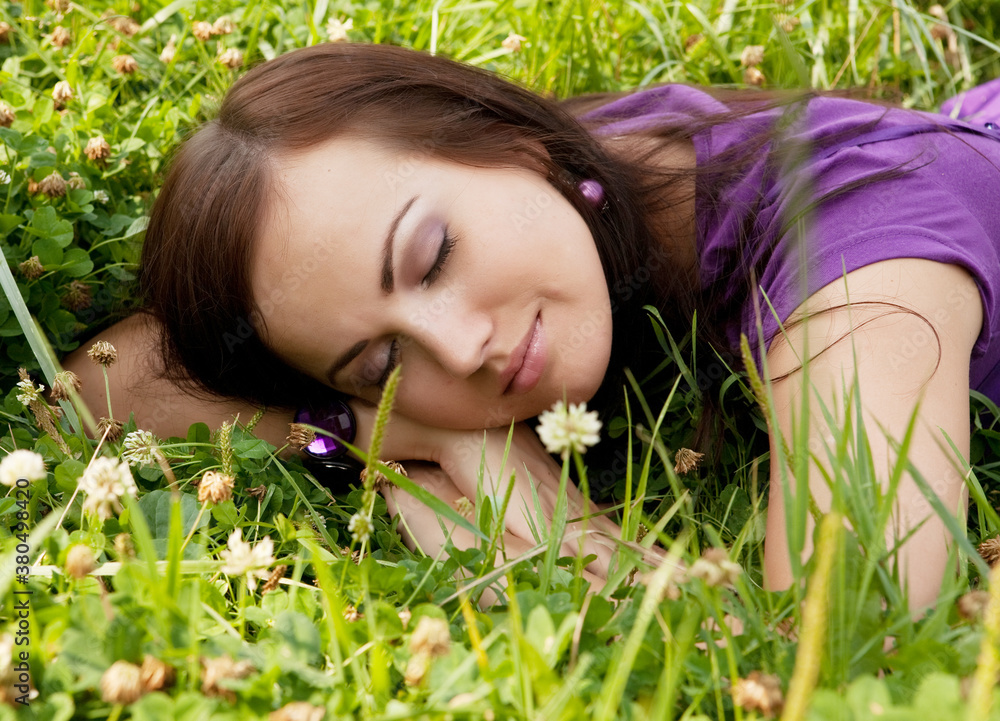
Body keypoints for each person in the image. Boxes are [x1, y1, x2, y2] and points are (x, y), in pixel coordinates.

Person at [63, 43, 1000, 609]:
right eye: (381, 360)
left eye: (432, 255)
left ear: (513, 142)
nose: (460, 348)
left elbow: (856, 639)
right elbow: (100, 383)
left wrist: (575, 538)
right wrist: (415, 437)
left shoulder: (867, 266)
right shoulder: (579, 189)